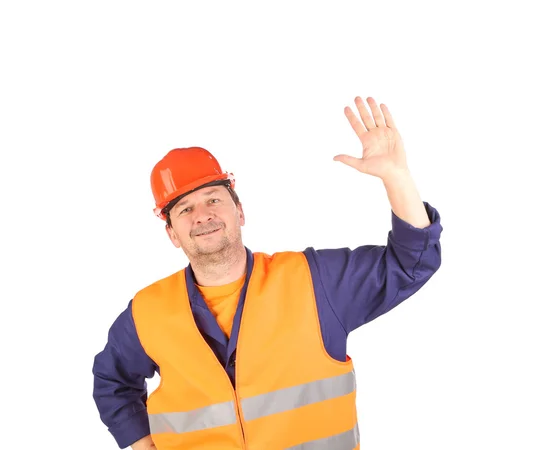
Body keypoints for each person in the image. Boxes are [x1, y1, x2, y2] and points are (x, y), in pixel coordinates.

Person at [92, 96, 443, 450]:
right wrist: (141, 443)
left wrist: (396, 177)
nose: (202, 215)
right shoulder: (147, 312)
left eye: (214, 198)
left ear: (239, 212)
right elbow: (112, 382)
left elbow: (409, 264)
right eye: (184, 209)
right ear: (171, 233)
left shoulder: (314, 283)